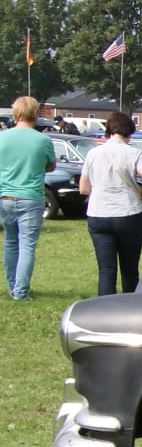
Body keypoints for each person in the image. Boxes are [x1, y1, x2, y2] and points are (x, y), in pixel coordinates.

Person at [78, 111, 142, 296]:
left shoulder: (93, 153)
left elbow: (83, 188)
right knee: (129, 269)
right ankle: (130, 307)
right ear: (129, 131)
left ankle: (104, 310)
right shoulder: (134, 153)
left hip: (98, 213)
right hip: (127, 213)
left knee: (106, 270)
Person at [0, 95, 55, 300]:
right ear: (35, 113)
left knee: (11, 242)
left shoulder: (2, 137)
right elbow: (51, 165)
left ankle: (13, 286)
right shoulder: (43, 140)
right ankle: (21, 292)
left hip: (5, 195)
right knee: (27, 245)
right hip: (31, 196)